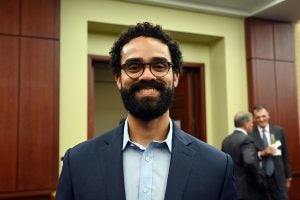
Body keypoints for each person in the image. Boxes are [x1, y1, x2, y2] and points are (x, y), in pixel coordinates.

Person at [56, 22, 237, 200]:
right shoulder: (78, 162)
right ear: (119, 78)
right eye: (134, 67)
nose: (147, 75)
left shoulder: (217, 167)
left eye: (159, 66)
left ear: (175, 77)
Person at [222, 111, 267, 200]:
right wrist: (260, 181)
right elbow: (250, 162)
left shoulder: (226, 140)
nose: (252, 125)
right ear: (246, 123)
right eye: (251, 122)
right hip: (247, 190)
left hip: (230, 188)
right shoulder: (246, 139)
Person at [250, 104, 292, 200]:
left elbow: (285, 154)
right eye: (258, 117)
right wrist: (262, 153)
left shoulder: (278, 131)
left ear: (268, 116)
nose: (261, 119)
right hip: (260, 179)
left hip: (278, 178)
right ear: (254, 119)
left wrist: (288, 176)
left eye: (263, 116)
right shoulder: (250, 134)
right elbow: (250, 157)